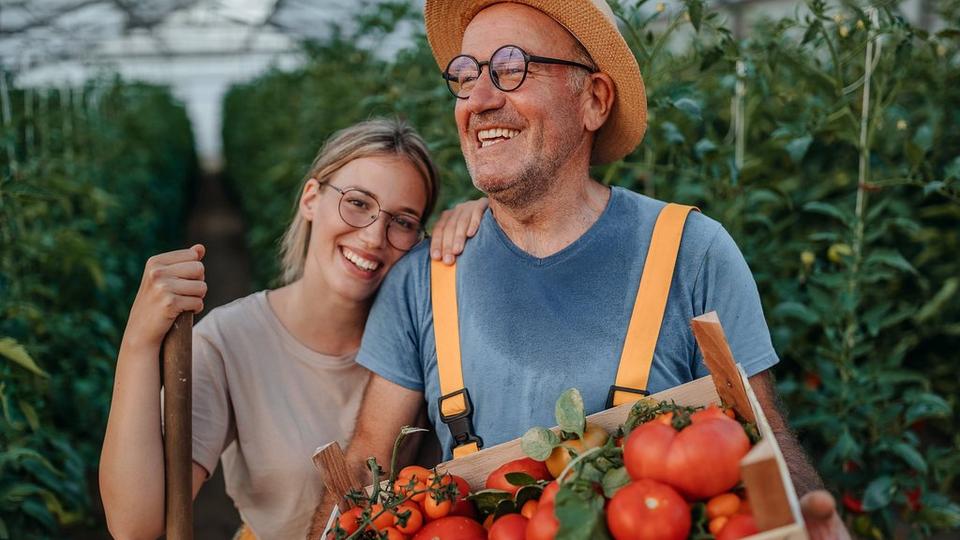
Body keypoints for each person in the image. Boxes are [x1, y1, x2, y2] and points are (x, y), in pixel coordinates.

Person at [308, 2, 849, 539]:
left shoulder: (690, 253)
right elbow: (362, 469)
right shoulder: (424, 278)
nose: (479, 98)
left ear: (593, 99)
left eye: (511, 67)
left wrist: (813, 522)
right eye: (466, 75)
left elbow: (765, 438)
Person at [99, 118, 488, 540]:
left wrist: (492, 223)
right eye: (357, 202)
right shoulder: (230, 341)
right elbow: (136, 525)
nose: (374, 236)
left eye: (404, 221)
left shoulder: (433, 331)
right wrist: (138, 343)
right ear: (310, 199)